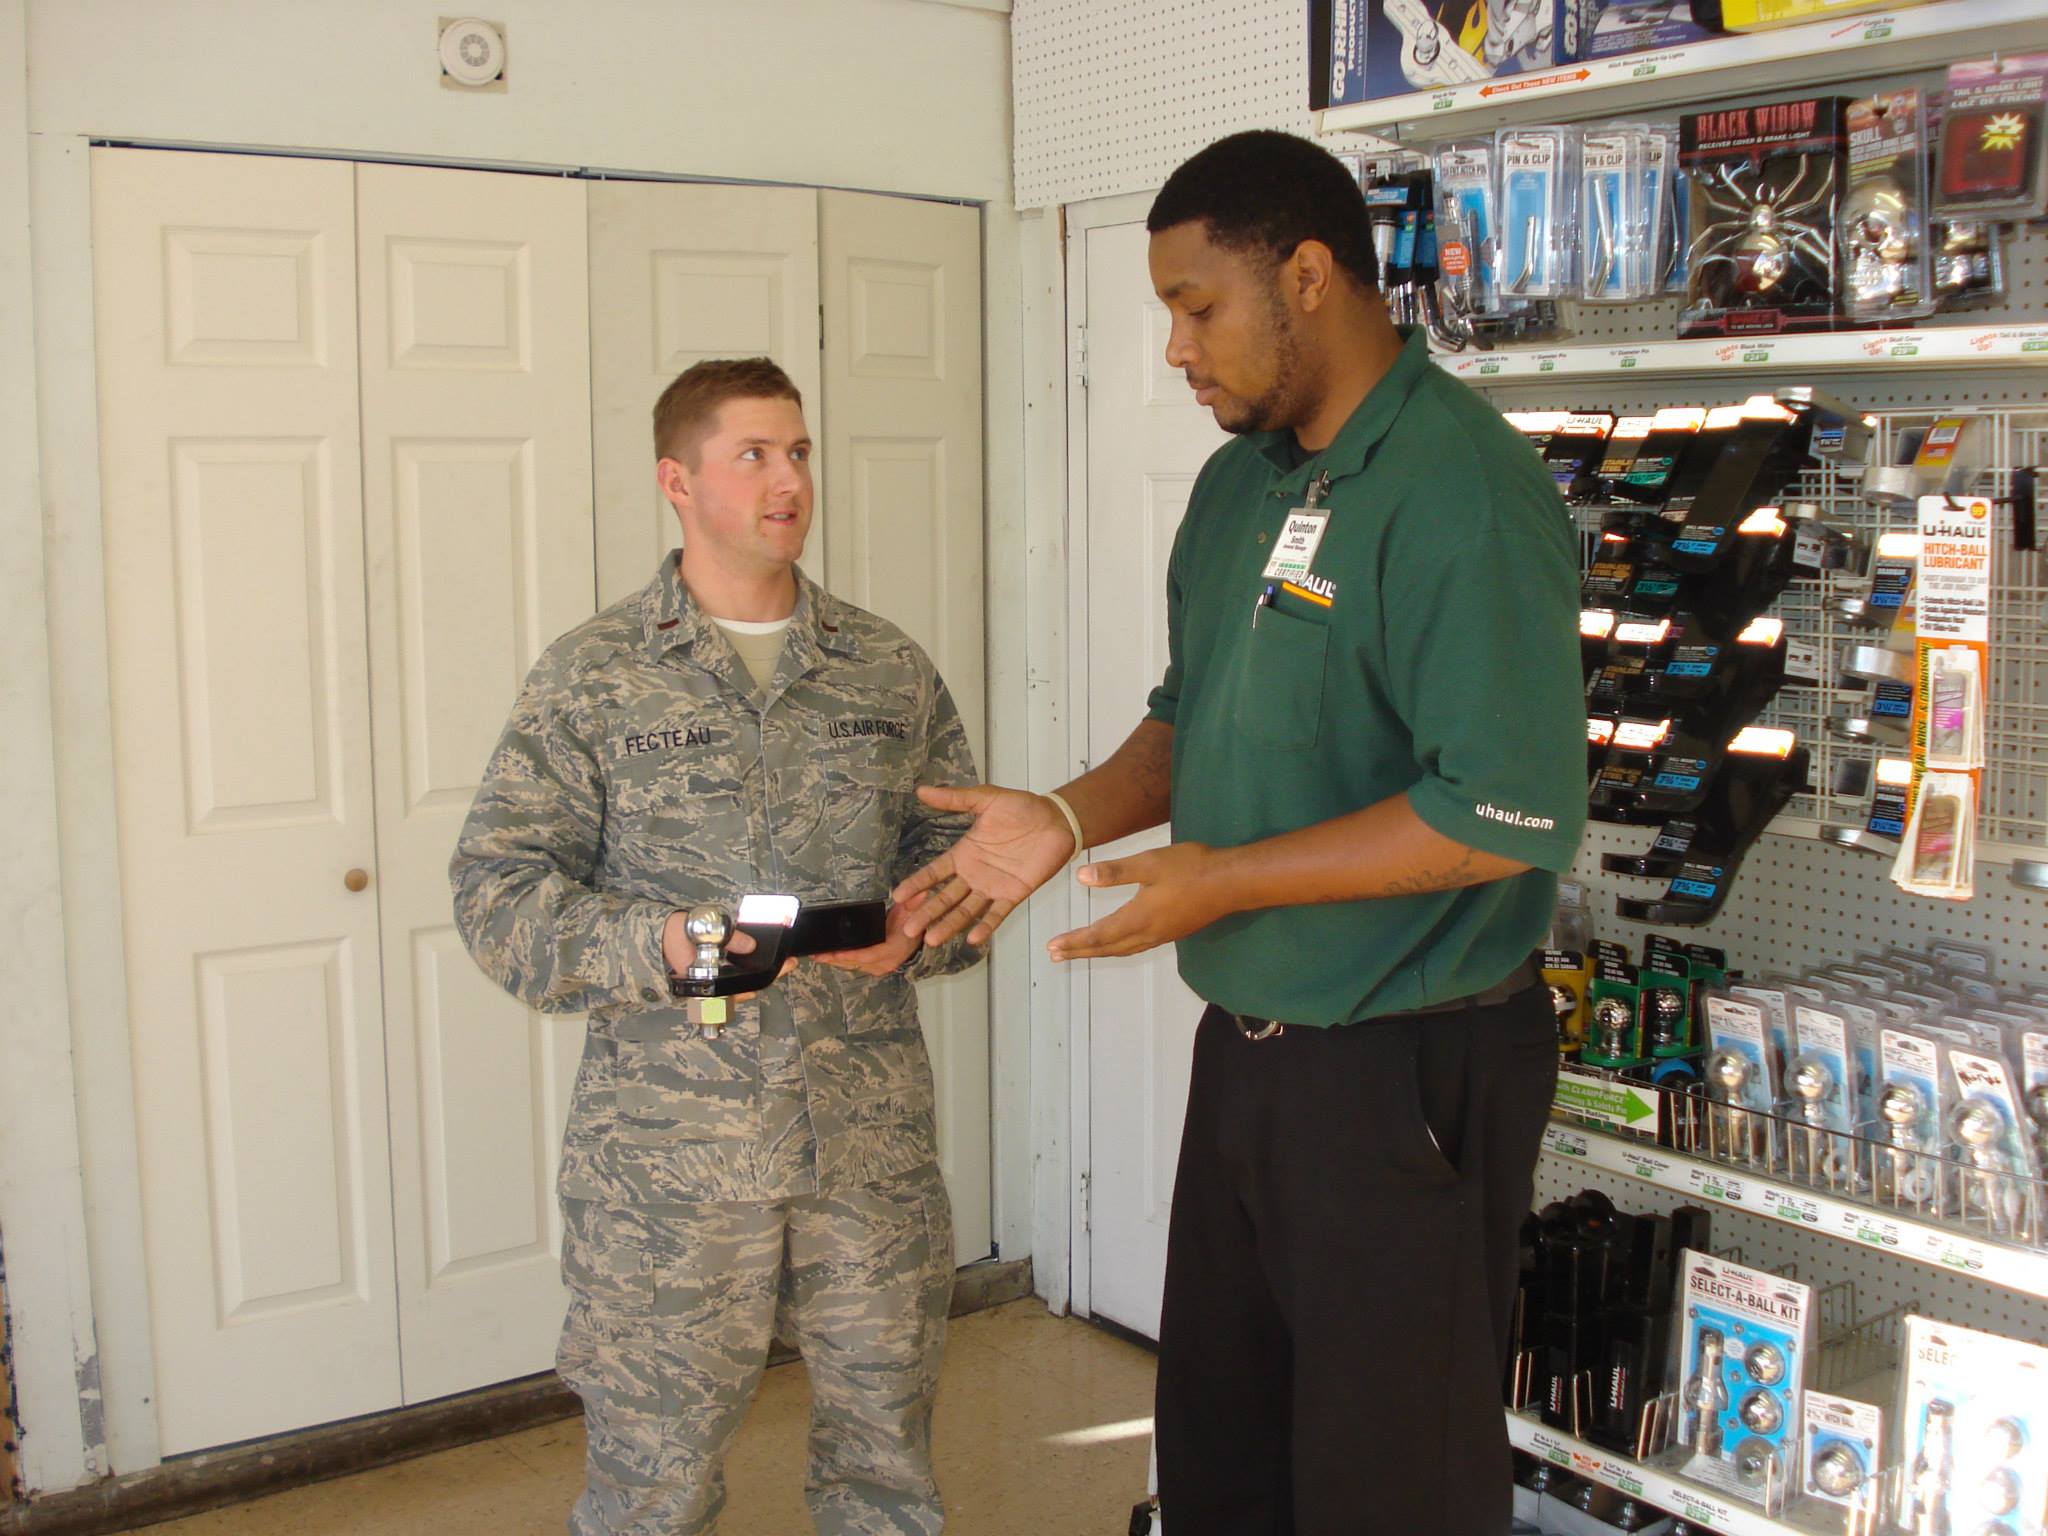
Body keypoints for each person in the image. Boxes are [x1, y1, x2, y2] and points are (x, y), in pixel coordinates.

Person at [894, 132, 1586, 1534]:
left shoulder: (1459, 489)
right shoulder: (1240, 488)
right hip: (1253, 1057)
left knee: (1388, 1488)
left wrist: (1223, 882)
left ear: (1309, 277)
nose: (1175, 347)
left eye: (1196, 306)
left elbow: (1500, 815)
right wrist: (1064, 816)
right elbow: (1187, 715)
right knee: (1221, 1455)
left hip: (1408, 1067)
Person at [450, 356, 982, 1536]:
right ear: (675, 481)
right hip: (667, 1171)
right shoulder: (593, 675)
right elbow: (497, 895)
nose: (787, 480)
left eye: (797, 452)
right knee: (654, 1487)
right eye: (751, 455)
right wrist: (663, 943)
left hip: (866, 1152)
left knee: (886, 1473)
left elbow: (958, 866)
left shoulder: (885, 667)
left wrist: (919, 934)